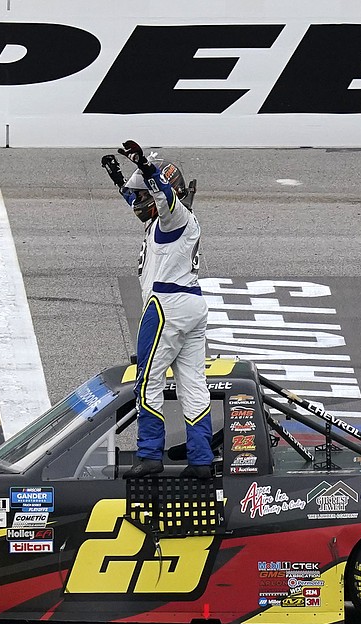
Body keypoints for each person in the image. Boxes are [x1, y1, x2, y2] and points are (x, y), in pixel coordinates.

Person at [102, 141, 213, 479]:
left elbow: (162, 199)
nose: (137, 201)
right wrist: (120, 180)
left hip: (165, 305)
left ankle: (149, 454)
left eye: (142, 194)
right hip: (192, 305)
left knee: (147, 380)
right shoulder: (164, 222)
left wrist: (148, 169)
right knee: (193, 385)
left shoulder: (173, 217)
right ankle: (201, 461)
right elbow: (144, 201)